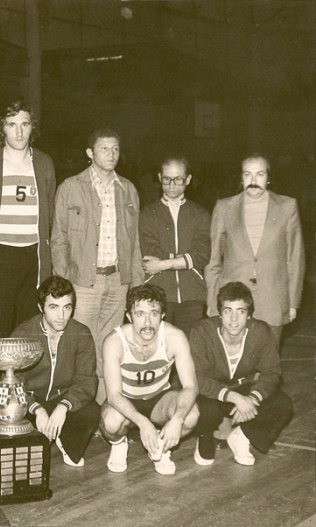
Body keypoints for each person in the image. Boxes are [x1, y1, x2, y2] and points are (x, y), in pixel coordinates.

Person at [0, 100, 56, 427]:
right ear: (0, 128)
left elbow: (50, 216)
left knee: (29, 340)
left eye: (25, 124)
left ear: (33, 127)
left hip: (33, 258)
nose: (19, 131)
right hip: (0, 259)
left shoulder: (44, 163)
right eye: (12, 124)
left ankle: (28, 414)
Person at [51, 128, 144, 405]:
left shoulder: (127, 189)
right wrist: (64, 283)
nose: (111, 154)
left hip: (118, 281)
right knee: (81, 346)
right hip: (83, 283)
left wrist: (135, 284)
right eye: (104, 149)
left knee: (109, 348)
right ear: (90, 153)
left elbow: (134, 241)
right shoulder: (70, 187)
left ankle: (104, 407)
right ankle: (75, 407)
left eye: (115, 149)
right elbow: (58, 240)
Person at [204, 154, 305, 346]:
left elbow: (295, 257)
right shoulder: (224, 207)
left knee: (267, 366)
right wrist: (211, 300)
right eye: (247, 174)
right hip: (233, 300)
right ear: (241, 178)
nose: (253, 181)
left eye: (259, 174)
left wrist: (293, 302)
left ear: (268, 178)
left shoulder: (287, 206)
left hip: (272, 298)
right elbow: (213, 259)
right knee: (233, 362)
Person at [190, 281, 294, 466]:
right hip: (212, 392)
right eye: (228, 310)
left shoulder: (260, 331)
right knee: (203, 408)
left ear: (249, 315)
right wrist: (235, 398)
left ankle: (242, 435)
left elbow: (272, 372)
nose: (233, 319)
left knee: (282, 404)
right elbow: (199, 377)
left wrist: (252, 398)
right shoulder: (202, 331)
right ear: (219, 313)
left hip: (242, 387)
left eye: (241, 311)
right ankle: (205, 437)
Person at [100, 284, 199, 476]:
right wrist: (143, 423)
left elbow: (191, 386)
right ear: (129, 316)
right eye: (140, 314)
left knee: (190, 415)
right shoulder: (114, 341)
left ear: (162, 315)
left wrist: (177, 419)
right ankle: (119, 444)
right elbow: (113, 395)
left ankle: (162, 447)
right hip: (126, 399)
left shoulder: (175, 336)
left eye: (154, 313)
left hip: (158, 399)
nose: (147, 322)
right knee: (111, 422)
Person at [12, 276, 100, 467]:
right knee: (11, 411)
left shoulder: (81, 333)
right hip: (31, 401)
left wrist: (63, 407)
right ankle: (42, 435)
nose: (61, 315)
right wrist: (36, 409)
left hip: (62, 399)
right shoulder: (23, 333)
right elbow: (13, 382)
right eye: (54, 307)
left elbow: (87, 381)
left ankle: (65, 440)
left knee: (92, 411)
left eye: (67, 307)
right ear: (40, 307)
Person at [139, 156, 211, 337]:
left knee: (190, 353)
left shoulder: (200, 214)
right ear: (159, 178)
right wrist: (185, 259)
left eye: (178, 179)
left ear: (188, 180)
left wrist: (163, 264)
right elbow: (150, 253)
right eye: (166, 179)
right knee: (159, 351)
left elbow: (201, 254)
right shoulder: (147, 214)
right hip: (157, 293)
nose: (172, 185)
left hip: (193, 295)